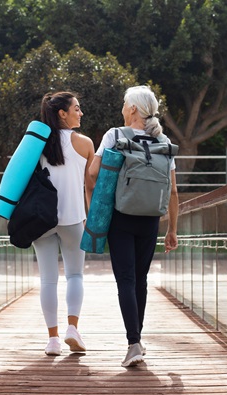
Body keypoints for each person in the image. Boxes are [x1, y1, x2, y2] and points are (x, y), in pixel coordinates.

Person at [88, 85, 179, 367]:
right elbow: (173, 192)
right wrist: (172, 229)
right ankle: (137, 340)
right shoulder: (163, 141)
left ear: (132, 109)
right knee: (140, 280)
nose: (122, 108)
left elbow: (92, 173)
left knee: (125, 280)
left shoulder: (114, 135)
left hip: (122, 217)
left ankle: (133, 342)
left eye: (124, 104)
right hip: (151, 220)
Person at [33, 91, 95, 356]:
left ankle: (53, 340)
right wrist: (93, 220)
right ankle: (73, 328)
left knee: (47, 280)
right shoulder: (85, 143)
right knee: (75, 275)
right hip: (72, 217)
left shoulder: (36, 142)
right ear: (63, 113)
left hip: (41, 219)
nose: (80, 113)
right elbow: (91, 185)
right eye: (77, 109)